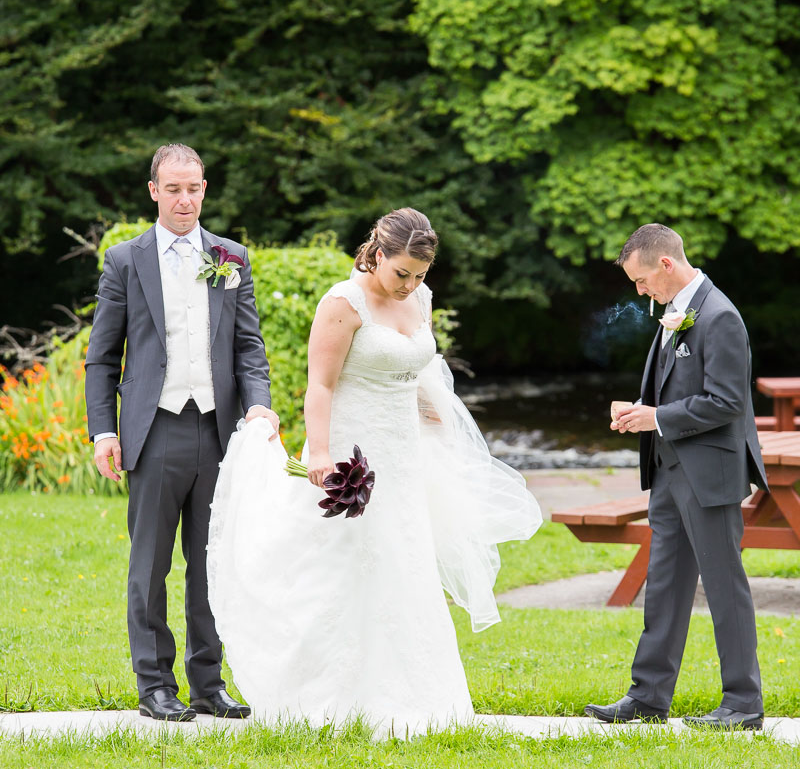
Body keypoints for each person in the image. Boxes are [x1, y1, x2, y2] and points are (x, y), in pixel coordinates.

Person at [206, 208, 542, 736]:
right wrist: (319, 453)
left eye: (421, 275)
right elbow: (320, 386)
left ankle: (421, 698)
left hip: (406, 454)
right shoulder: (344, 303)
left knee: (405, 561)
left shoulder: (421, 299)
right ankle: (331, 695)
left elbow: (419, 370)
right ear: (378, 254)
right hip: (354, 450)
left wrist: (435, 418)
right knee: (352, 564)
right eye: (401, 273)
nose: (409, 285)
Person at [85, 143, 278, 722]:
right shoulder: (125, 260)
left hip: (219, 433)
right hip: (154, 430)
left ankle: (208, 684)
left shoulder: (230, 257)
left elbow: (249, 347)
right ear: (153, 191)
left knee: (212, 561)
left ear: (204, 188)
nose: (185, 200)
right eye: (174, 189)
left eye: (194, 188)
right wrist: (103, 433)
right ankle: (154, 687)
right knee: (149, 565)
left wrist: (260, 407)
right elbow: (102, 358)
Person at [586, 224, 767, 730]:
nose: (640, 291)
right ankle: (647, 698)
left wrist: (658, 418)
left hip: (709, 472)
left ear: (666, 265)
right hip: (670, 470)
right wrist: (643, 410)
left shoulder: (720, 316)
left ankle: (743, 705)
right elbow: (680, 388)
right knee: (664, 582)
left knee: (723, 585)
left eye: (642, 281)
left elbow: (728, 402)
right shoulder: (677, 311)